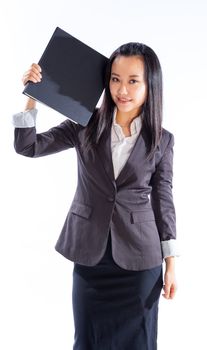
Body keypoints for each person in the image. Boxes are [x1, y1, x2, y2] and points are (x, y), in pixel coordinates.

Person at [13, 42, 178, 350]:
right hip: (91, 256)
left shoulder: (162, 140)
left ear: (150, 84)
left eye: (133, 80)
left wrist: (171, 263)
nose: (122, 90)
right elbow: (28, 147)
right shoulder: (85, 123)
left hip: (141, 260)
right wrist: (32, 99)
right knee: (88, 341)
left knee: (139, 342)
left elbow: (163, 199)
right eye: (115, 78)